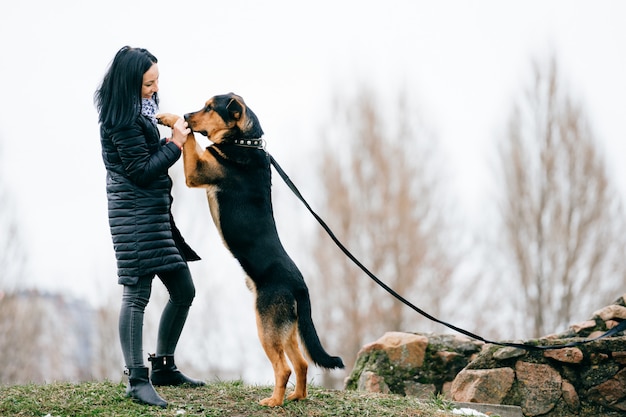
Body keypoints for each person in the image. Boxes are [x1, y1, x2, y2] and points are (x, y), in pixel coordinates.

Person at [94, 46, 204, 408]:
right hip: (134, 216)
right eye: (148, 84)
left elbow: (144, 157)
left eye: (157, 81)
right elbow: (141, 171)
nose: (155, 89)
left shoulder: (140, 111)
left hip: (154, 215)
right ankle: (136, 379)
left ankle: (164, 367)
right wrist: (176, 142)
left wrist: (169, 139)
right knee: (137, 295)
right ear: (129, 85)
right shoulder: (120, 120)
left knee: (183, 289)